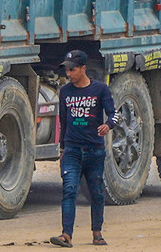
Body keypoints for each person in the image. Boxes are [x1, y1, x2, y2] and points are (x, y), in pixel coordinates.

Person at [50, 50, 116, 247]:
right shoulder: (65, 92)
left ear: (83, 69)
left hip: (94, 150)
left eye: (73, 69)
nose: (69, 74)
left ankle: (97, 232)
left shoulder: (101, 90)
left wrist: (108, 125)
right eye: (67, 70)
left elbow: (114, 114)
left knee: (96, 192)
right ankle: (66, 235)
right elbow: (63, 120)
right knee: (69, 190)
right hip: (72, 150)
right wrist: (62, 150)